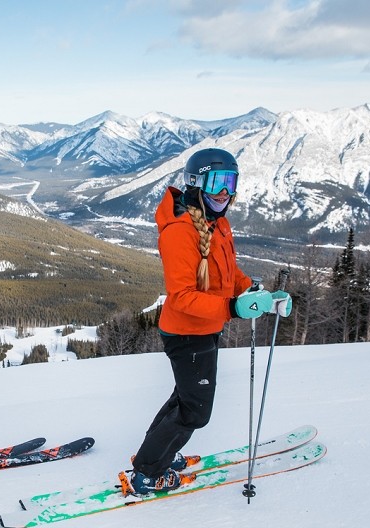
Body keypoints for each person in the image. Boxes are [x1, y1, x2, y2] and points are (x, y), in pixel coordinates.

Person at [122, 147, 291, 495]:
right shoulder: (179, 232)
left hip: (205, 329)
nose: (225, 193)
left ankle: (155, 457)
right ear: (197, 183)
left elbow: (229, 274)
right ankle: (147, 473)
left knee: (183, 401)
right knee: (195, 412)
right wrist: (234, 309)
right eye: (217, 183)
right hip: (186, 333)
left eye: (231, 183)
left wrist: (259, 294)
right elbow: (182, 297)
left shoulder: (217, 223)